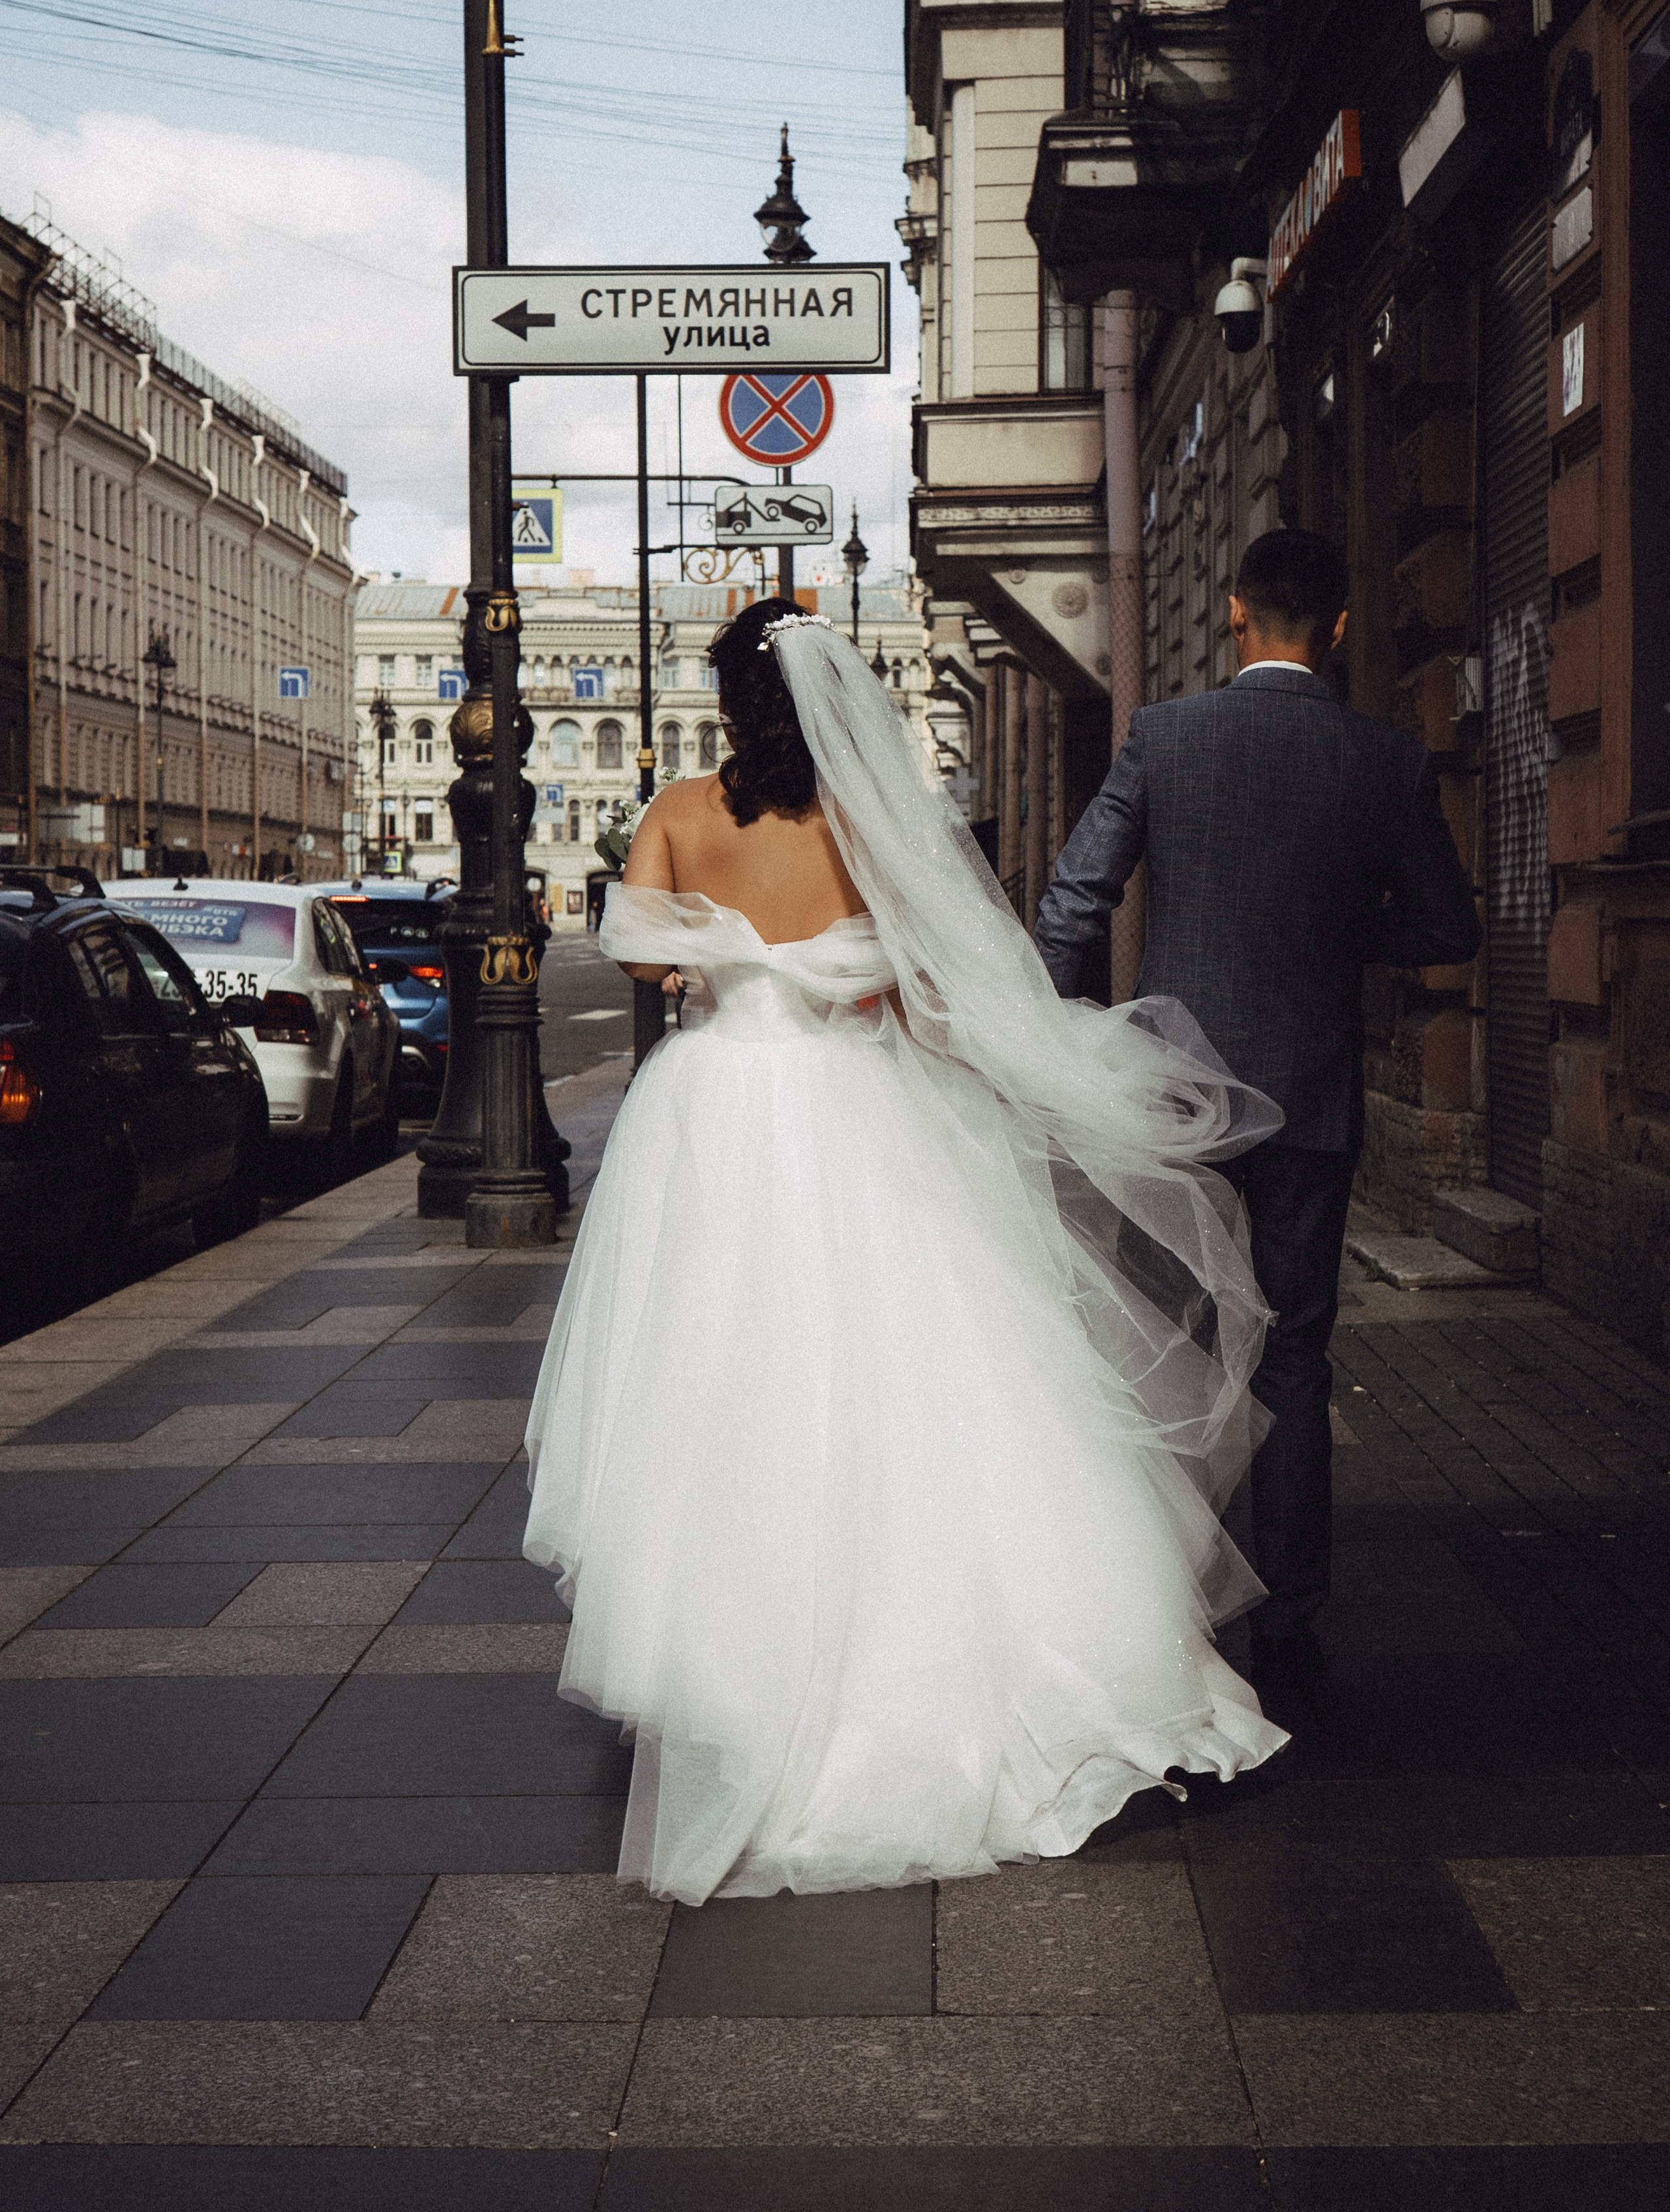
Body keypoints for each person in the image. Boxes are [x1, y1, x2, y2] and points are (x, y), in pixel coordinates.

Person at [524, 595, 1290, 1906]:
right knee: (914, 1374)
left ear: (726, 701)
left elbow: (643, 957)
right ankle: (982, 1660)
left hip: (715, 1112)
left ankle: (730, 1659)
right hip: (855, 1106)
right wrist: (867, 982)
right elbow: (934, 982)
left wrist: (725, 952)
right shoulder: (873, 822)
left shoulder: (678, 813)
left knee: (717, 1382)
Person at [1033, 531, 1481, 1687]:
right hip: (1309, 1098)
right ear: (1335, 628)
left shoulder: (1165, 738)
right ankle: (1285, 1619)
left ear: (1235, 614)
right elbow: (1447, 930)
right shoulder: (1385, 759)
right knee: (1295, 1358)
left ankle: (1158, 1595)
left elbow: (1073, 904)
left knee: (1164, 1341)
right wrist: (1337, 934)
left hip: (1174, 1095)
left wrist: (1071, 1035)